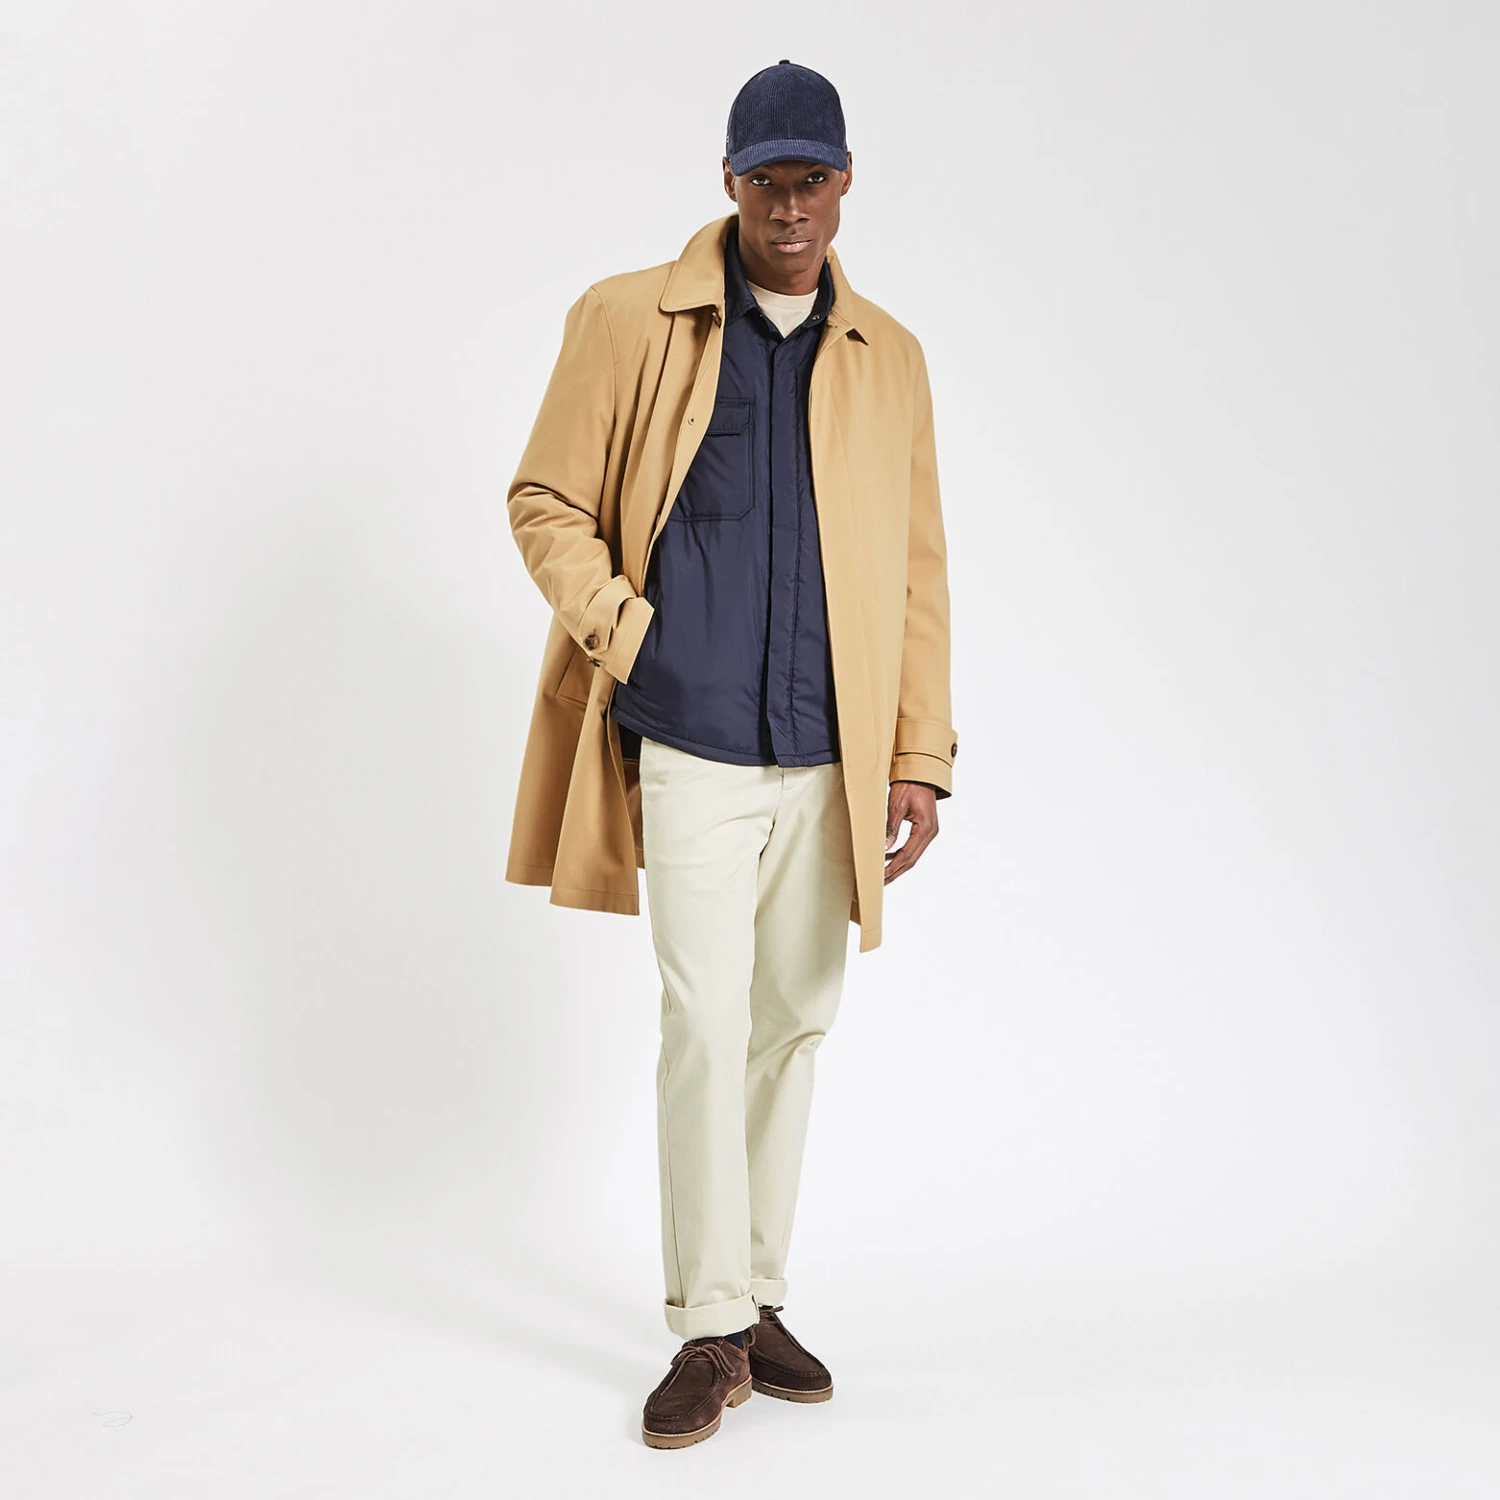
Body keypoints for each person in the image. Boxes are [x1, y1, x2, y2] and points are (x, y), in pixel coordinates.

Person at [503, 59, 957, 1448]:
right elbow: (545, 498)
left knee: (794, 1023)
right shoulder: (629, 319)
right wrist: (629, 636)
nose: (790, 206)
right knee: (703, 1021)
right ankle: (706, 1325)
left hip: (829, 751)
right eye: (767, 180)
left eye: (812, 179)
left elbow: (919, 570)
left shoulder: (888, 356)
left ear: (846, 183)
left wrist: (919, 754)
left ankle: (757, 1298)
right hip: (691, 736)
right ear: (729, 182)